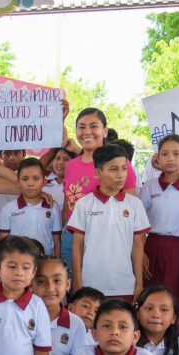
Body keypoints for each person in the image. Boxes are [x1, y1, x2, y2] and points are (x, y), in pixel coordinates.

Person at [68, 144, 150, 301]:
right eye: (113, 169)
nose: (120, 175)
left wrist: (139, 283)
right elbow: (77, 246)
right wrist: (78, 283)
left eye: (124, 168)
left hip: (124, 284)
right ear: (98, 173)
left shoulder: (134, 204)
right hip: (90, 284)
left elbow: (138, 246)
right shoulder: (84, 204)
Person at [61, 108, 138, 264]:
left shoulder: (122, 165)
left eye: (93, 126)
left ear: (104, 131)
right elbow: (66, 205)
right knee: (74, 286)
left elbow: (129, 209)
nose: (87, 132)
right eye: (81, 127)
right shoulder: (70, 165)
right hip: (71, 236)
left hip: (106, 237)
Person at [140, 133, 179, 311]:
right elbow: (137, 224)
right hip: (153, 246)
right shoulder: (149, 186)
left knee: (178, 299)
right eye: (165, 154)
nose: (170, 159)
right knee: (152, 297)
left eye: (176, 154)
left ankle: (177, 337)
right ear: (157, 157)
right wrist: (142, 253)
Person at [32, 257, 91, 355]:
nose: (50, 288)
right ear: (31, 284)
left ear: (68, 285)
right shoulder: (22, 317)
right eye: (41, 281)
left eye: (57, 280)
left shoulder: (75, 324)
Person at [0, 158, 63, 257]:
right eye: (25, 179)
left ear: (44, 182)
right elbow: (3, 242)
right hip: (18, 261)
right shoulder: (8, 209)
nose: (31, 183)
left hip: (45, 261)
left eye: (36, 178)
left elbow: (57, 242)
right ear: (18, 183)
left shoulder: (53, 207)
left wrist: (57, 262)